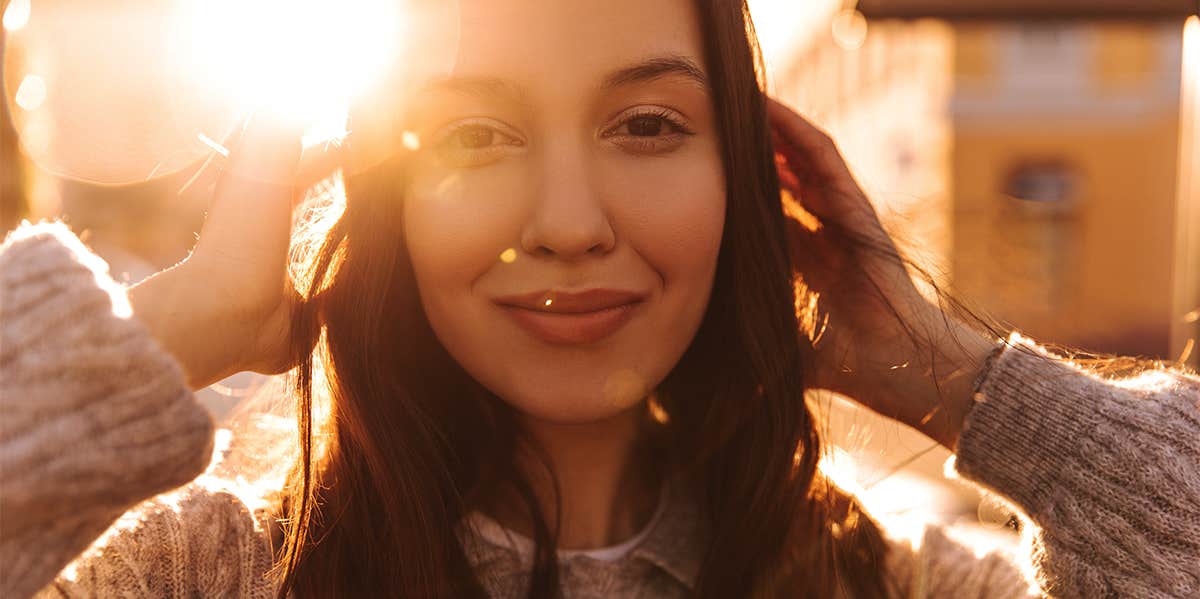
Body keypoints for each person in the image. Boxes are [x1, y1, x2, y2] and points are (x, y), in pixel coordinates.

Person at [2, 1, 1198, 597]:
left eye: (647, 124)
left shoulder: (908, 585)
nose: (568, 221)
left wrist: (982, 389)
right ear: (382, 185)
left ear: (747, 171)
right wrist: (177, 323)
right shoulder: (203, 574)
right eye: (477, 131)